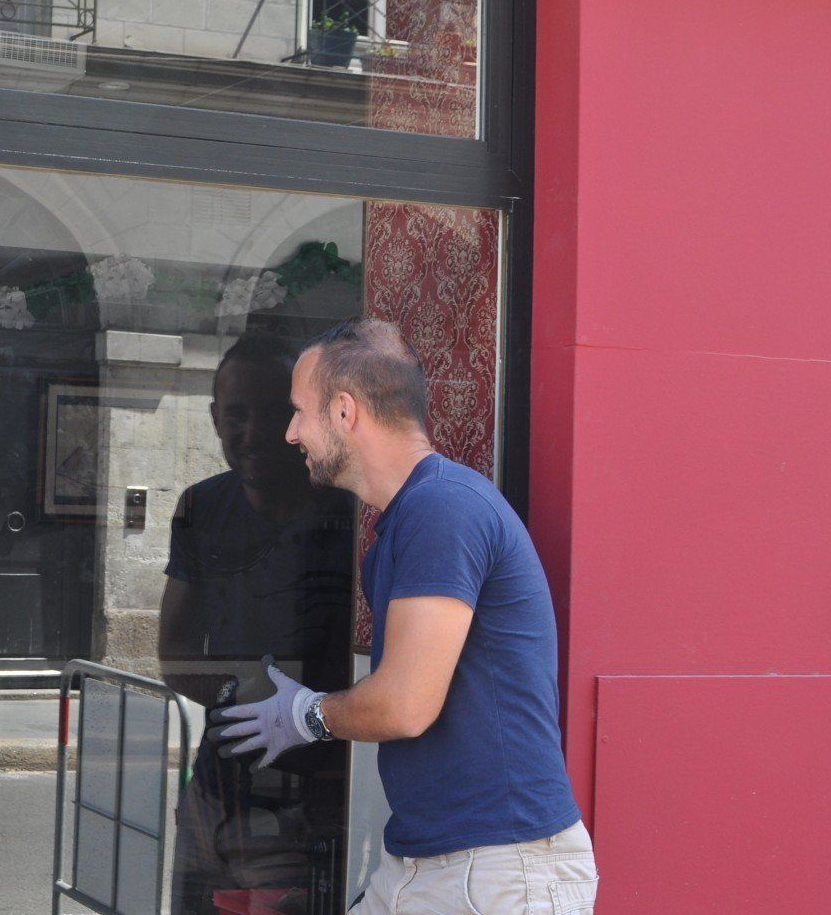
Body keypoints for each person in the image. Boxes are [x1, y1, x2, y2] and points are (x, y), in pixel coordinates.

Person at [210, 318, 597, 914]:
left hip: (500, 869)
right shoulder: (408, 518)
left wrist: (307, 714)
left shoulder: (443, 509)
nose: (290, 433)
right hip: (429, 863)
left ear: (344, 413)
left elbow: (405, 705)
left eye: (298, 412)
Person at [159, 332, 355, 913]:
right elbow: (173, 653)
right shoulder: (200, 507)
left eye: (272, 413)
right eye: (236, 415)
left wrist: (298, 714)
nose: (251, 433)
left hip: (309, 802)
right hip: (214, 795)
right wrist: (246, 695)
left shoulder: (346, 514)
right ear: (216, 418)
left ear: (299, 421)